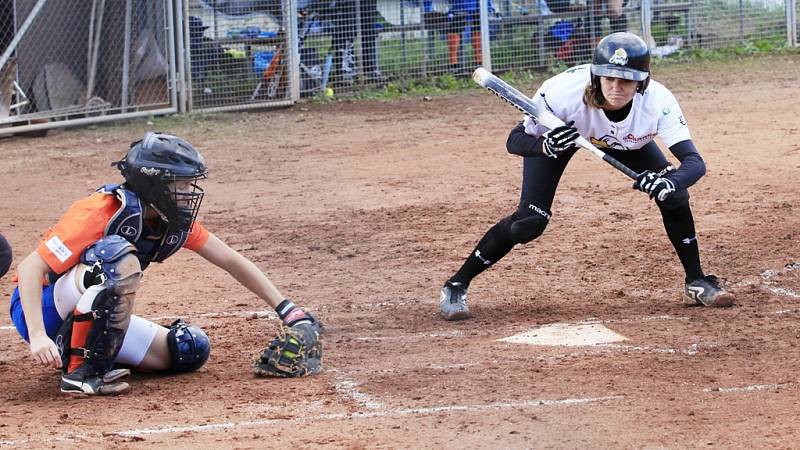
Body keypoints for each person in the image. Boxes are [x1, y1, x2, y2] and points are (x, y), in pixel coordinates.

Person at [439, 32, 735, 321]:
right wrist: (545, 145)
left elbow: (694, 162)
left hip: (628, 141)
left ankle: (696, 282)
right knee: (528, 223)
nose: (617, 87)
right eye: (609, 78)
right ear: (596, 76)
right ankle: (456, 284)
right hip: (563, 137)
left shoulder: (659, 101)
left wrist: (671, 181)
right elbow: (514, 140)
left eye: (627, 80)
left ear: (642, 81)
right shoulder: (561, 92)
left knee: (675, 196)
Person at [10, 132, 323, 395]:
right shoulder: (101, 211)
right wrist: (37, 335)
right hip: (42, 305)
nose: (189, 192)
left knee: (189, 349)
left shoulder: (168, 220)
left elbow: (229, 259)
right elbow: (29, 268)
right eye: (181, 184)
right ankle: (78, 375)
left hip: (80, 309)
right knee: (115, 258)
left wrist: (287, 308)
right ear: (154, 185)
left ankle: (73, 347)